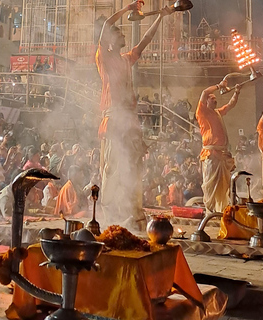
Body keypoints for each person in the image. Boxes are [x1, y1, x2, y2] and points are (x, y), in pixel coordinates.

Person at [96, 0, 173, 229]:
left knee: (133, 166)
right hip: (114, 119)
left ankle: (130, 212)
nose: (123, 37)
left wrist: (161, 16)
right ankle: (112, 216)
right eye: (119, 34)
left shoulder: (126, 59)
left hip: (129, 120)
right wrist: (127, 9)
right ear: (110, 39)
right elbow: (108, 23)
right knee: (113, 168)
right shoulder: (105, 57)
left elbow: (145, 41)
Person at [196, 80, 240, 213]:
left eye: (215, 99)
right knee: (210, 184)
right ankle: (210, 212)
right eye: (212, 99)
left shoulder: (218, 113)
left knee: (223, 184)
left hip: (221, 154)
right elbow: (204, 92)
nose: (215, 101)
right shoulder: (202, 112)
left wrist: (237, 92)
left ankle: (220, 210)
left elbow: (230, 105)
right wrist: (219, 86)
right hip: (210, 154)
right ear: (207, 102)